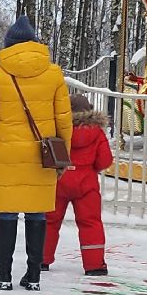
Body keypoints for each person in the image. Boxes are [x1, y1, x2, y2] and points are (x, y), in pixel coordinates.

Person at [0, 15, 72, 291]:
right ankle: (34, 276)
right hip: (41, 158)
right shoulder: (53, 74)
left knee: (7, 215)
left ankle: (4, 276)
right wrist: (65, 155)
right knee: (37, 216)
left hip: (6, 158)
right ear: (35, 44)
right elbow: (64, 119)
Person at [44, 93, 112, 276]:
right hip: (86, 183)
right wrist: (92, 168)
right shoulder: (97, 133)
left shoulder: (59, 129)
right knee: (91, 222)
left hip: (60, 179)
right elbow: (105, 160)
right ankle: (94, 265)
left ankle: (42, 259)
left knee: (49, 221)